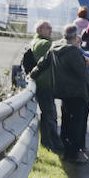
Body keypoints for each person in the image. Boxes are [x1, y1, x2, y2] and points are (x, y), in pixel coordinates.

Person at [30, 25, 89, 164]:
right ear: (75, 36)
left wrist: (32, 75)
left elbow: (42, 64)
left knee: (66, 122)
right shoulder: (73, 52)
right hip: (76, 92)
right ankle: (72, 154)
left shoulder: (54, 47)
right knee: (76, 124)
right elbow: (82, 73)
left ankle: (66, 151)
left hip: (62, 91)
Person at [29, 20, 64, 153]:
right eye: (47, 28)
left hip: (41, 82)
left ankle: (48, 142)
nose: (50, 30)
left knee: (47, 114)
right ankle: (50, 143)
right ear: (40, 30)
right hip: (45, 83)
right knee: (50, 114)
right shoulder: (44, 43)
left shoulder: (35, 42)